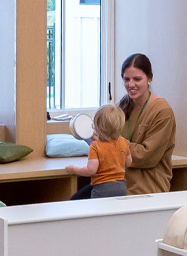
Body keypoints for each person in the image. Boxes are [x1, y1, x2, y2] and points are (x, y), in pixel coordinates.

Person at [117, 53, 176, 195]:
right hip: (120, 183)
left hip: (146, 189)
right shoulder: (123, 105)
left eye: (137, 79)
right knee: (77, 201)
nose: (131, 85)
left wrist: (112, 144)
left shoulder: (162, 111)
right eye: (126, 79)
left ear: (149, 78)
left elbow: (146, 156)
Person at [66, 105, 129, 199]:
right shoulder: (124, 142)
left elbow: (91, 170)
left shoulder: (95, 146)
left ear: (97, 126)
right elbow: (129, 162)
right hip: (121, 188)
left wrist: (73, 169)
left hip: (103, 189)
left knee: (97, 211)